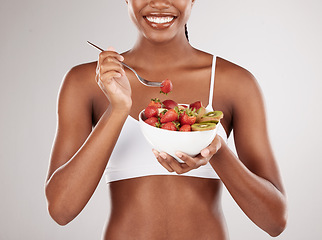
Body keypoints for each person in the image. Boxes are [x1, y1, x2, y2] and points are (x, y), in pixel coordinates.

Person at [45, 0, 287, 239]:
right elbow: (61, 210)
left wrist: (217, 151)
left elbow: (274, 221)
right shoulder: (85, 81)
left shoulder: (236, 82)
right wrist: (118, 109)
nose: (159, 3)